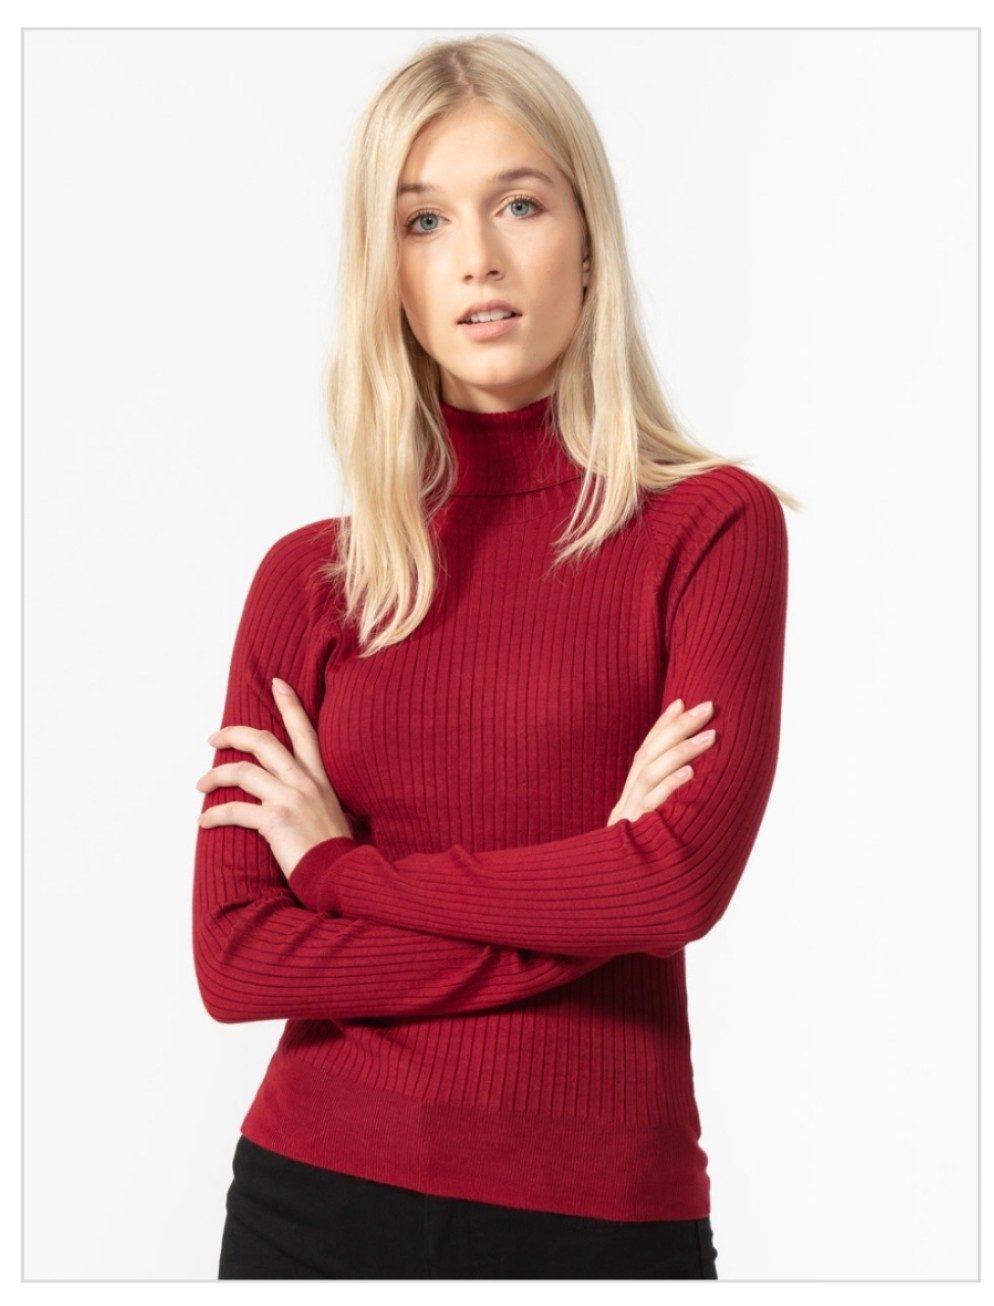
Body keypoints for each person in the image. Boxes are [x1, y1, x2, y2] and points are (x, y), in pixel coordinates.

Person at [192, 32, 797, 1280]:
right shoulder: (311, 579)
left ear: (588, 241)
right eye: (423, 221)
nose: (476, 256)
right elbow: (240, 955)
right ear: (390, 275)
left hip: (601, 1216)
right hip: (314, 1199)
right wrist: (591, 889)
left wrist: (344, 874)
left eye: (518, 204)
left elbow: (673, 889)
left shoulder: (710, 528)